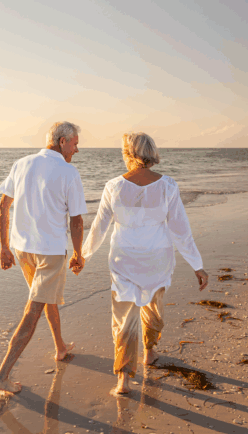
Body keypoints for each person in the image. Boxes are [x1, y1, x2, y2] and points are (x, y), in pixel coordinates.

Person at [79, 132, 208, 395]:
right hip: (157, 259)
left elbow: (99, 228)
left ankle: (124, 380)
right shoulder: (168, 185)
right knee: (153, 307)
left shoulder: (114, 186)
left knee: (124, 318)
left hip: (123, 258)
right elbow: (181, 231)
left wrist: (83, 255)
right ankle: (148, 353)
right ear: (151, 153)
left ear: (128, 153)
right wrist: (197, 265)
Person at [0, 121, 88, 394]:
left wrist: (4, 247)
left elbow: (3, 208)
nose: (77, 149)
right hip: (50, 252)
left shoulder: (21, 164)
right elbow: (77, 220)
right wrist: (79, 254)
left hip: (22, 249)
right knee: (33, 310)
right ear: (62, 142)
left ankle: (59, 347)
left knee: (47, 298)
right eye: (75, 143)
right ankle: (2, 376)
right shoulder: (69, 172)